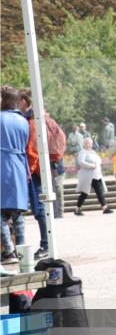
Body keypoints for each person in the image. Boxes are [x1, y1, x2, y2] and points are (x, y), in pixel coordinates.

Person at [17, 90, 49, 259]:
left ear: (23, 101)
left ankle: (46, 244)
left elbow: (32, 150)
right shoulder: (31, 118)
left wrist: (28, 171)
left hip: (35, 172)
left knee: (39, 209)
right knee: (39, 209)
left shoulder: (32, 120)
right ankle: (46, 243)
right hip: (35, 170)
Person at [0, 86, 29, 264]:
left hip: (2, 164)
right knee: (17, 212)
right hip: (18, 164)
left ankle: (9, 251)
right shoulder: (23, 121)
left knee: (0, 212)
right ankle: (22, 249)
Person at [73, 137, 113, 215]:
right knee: (85, 193)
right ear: (84, 144)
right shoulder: (83, 152)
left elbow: (99, 160)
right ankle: (77, 209)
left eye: (90, 143)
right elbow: (81, 162)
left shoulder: (93, 152)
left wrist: (98, 163)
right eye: (88, 143)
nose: (89, 145)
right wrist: (91, 165)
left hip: (96, 175)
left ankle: (104, 208)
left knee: (99, 191)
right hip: (88, 176)